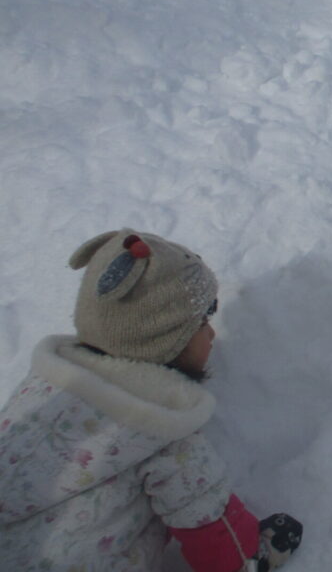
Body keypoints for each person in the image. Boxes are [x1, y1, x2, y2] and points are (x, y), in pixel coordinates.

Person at [0, 230, 303, 572]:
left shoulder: (40, 390)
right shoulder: (162, 431)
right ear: (163, 341)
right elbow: (212, 527)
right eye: (203, 320)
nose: (212, 333)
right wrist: (248, 556)